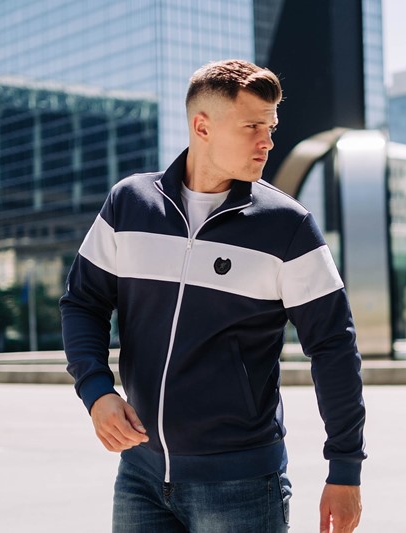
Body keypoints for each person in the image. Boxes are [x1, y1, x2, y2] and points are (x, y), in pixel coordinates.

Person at [60, 59, 366, 533]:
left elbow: (334, 345)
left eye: (270, 127)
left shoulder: (287, 227)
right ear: (202, 126)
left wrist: (344, 468)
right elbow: (83, 302)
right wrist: (96, 392)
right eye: (252, 127)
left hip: (241, 484)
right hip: (140, 475)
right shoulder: (129, 204)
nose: (267, 141)